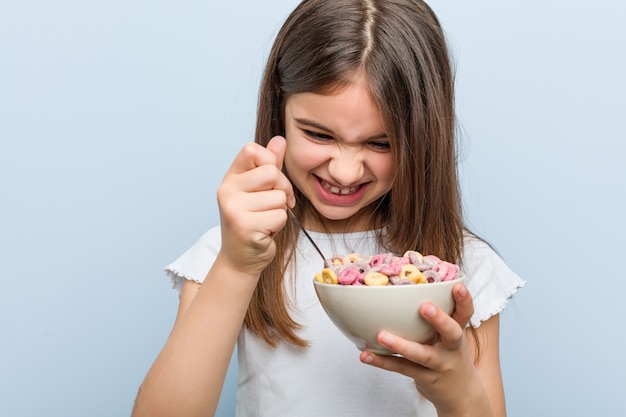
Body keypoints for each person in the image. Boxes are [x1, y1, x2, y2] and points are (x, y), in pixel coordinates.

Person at [132, 0, 525, 416]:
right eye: (319, 134)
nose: (345, 169)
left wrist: (457, 389)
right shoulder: (231, 251)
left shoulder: (463, 265)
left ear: (424, 137)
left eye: (381, 143)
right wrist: (236, 265)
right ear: (279, 108)